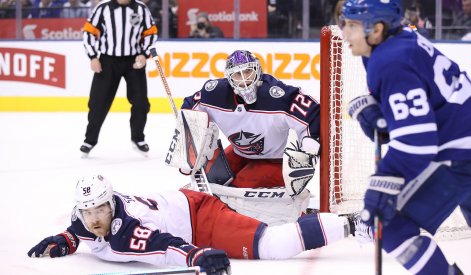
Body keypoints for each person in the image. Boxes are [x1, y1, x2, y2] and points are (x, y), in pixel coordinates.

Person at [341, 0, 471, 274]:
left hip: (461, 150)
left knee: (389, 222)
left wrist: (378, 190)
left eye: (352, 26)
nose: (345, 33)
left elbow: (416, 142)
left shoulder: (389, 60)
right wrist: (382, 113)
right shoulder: (401, 40)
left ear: (377, 30)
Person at [27, 174, 368, 274]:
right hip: (182, 204)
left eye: (99, 209)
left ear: (110, 202)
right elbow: (79, 230)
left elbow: (165, 244)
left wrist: (198, 257)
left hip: (199, 217)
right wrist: (64, 240)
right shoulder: (84, 218)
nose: (94, 218)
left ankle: (357, 223)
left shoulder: (126, 232)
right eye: (87, 212)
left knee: (273, 247)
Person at [181, 50, 320, 191]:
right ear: (229, 78)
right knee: (207, 183)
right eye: (237, 74)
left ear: (258, 70)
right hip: (238, 153)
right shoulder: (216, 93)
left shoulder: (276, 96)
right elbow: (190, 106)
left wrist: (308, 151)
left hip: (275, 161)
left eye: (248, 71)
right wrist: (190, 145)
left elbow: (314, 113)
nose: (244, 79)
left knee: (234, 191)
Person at [80, 0, 157, 157]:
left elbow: (151, 33)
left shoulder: (141, 8)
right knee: (97, 102)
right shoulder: (103, 8)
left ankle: (138, 138)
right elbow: (89, 32)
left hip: (134, 60)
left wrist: (143, 54)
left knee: (141, 102)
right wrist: (93, 57)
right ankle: (90, 140)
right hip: (107, 61)